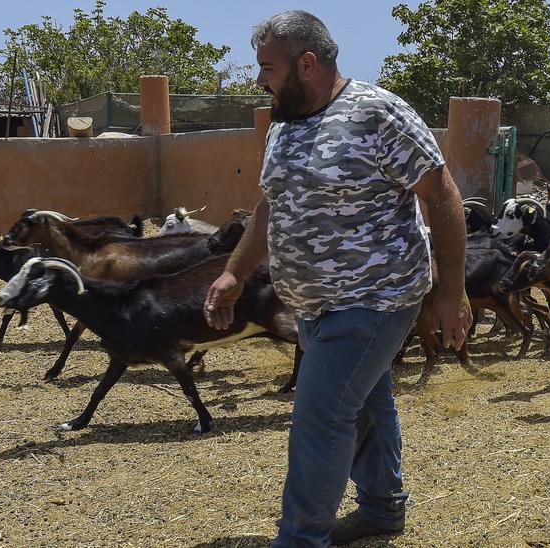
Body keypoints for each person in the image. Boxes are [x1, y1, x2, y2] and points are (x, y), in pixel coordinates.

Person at [203, 10, 472, 547]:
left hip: (375, 297)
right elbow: (270, 206)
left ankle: (301, 539)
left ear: (307, 64)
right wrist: (235, 272)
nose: (260, 79)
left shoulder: (378, 113)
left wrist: (451, 291)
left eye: (268, 68)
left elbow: (441, 194)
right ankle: (381, 510)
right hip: (313, 303)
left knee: (320, 415)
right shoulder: (285, 122)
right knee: (367, 403)